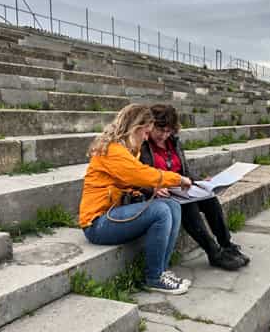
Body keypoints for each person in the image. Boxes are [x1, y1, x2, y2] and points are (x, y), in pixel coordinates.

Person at [79, 104, 193, 295]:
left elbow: (130, 181)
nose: (147, 137)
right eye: (146, 132)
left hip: (113, 214)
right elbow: (139, 174)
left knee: (173, 205)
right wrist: (178, 179)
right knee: (160, 210)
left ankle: (161, 271)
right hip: (97, 224)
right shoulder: (112, 150)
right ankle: (153, 277)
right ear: (135, 128)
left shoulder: (128, 150)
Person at [139, 104, 250, 270]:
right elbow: (137, 176)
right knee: (189, 206)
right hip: (161, 193)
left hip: (181, 188)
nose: (164, 135)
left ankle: (227, 245)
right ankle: (214, 253)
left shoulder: (173, 142)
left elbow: (184, 171)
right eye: (160, 130)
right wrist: (150, 188)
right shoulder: (142, 145)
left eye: (168, 131)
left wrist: (202, 182)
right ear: (150, 125)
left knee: (210, 199)